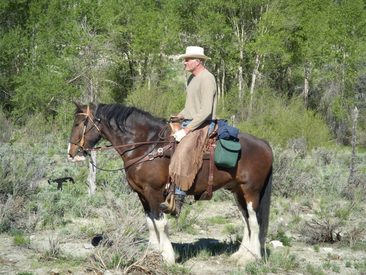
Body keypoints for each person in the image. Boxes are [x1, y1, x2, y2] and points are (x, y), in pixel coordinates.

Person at [160, 46, 217, 215]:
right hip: (191, 122)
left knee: (183, 153)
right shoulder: (193, 78)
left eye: (187, 60)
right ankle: (166, 189)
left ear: (197, 62)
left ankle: (177, 202)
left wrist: (186, 131)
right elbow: (191, 106)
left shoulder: (207, 79)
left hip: (203, 124)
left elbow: (205, 111)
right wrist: (180, 114)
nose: (184, 62)